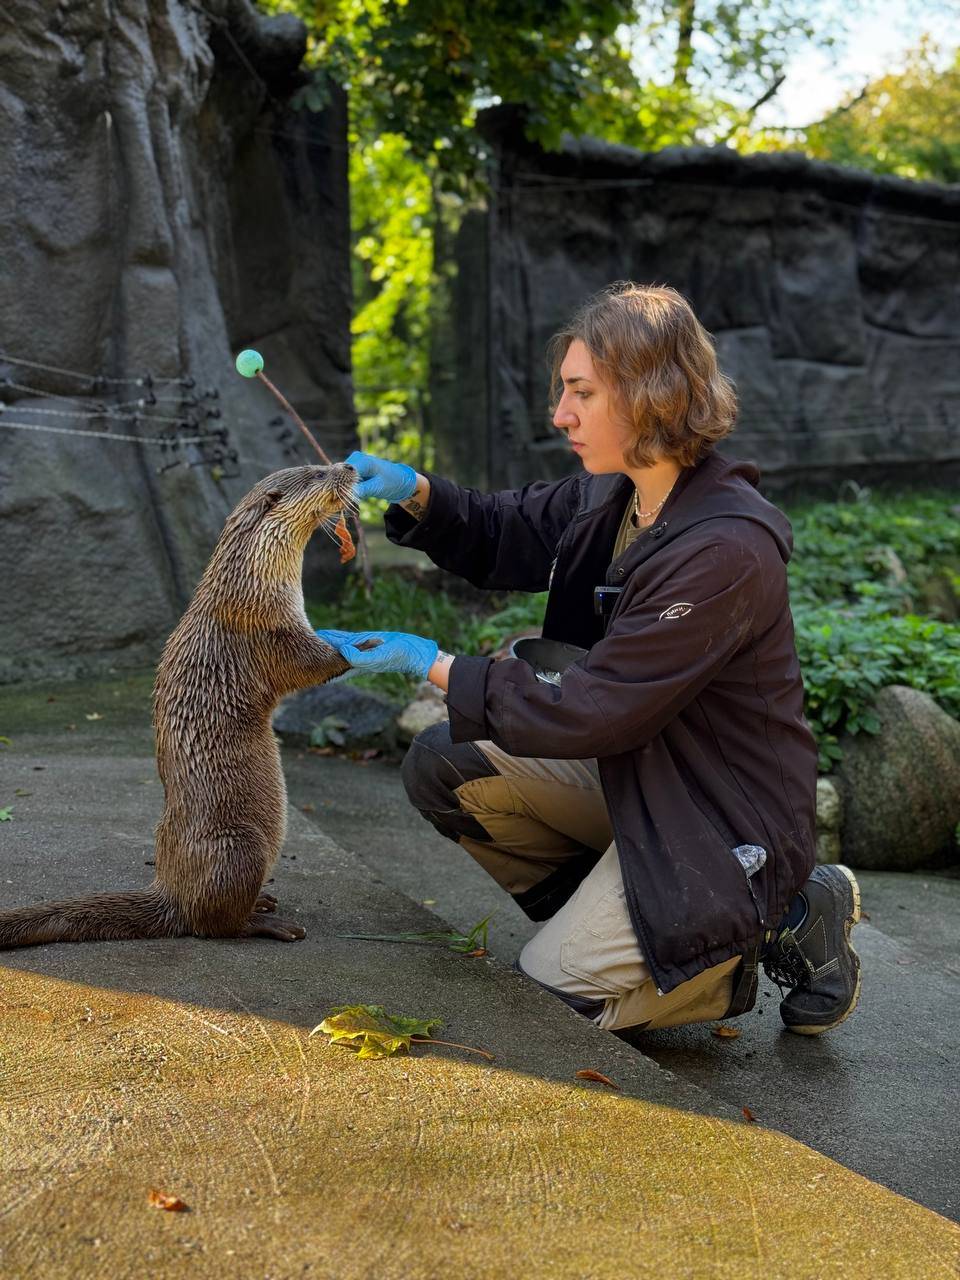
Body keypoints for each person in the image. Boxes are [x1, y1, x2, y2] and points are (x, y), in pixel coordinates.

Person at [317, 282, 861, 1036]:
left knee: (552, 1002)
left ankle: (725, 953)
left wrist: (430, 663)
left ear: (652, 395)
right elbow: (502, 527)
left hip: (717, 814)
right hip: (639, 774)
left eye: (582, 392)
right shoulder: (615, 494)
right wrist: (413, 490)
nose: (560, 413)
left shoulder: (725, 549)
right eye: (563, 390)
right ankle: (644, 927)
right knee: (447, 763)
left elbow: (593, 707)